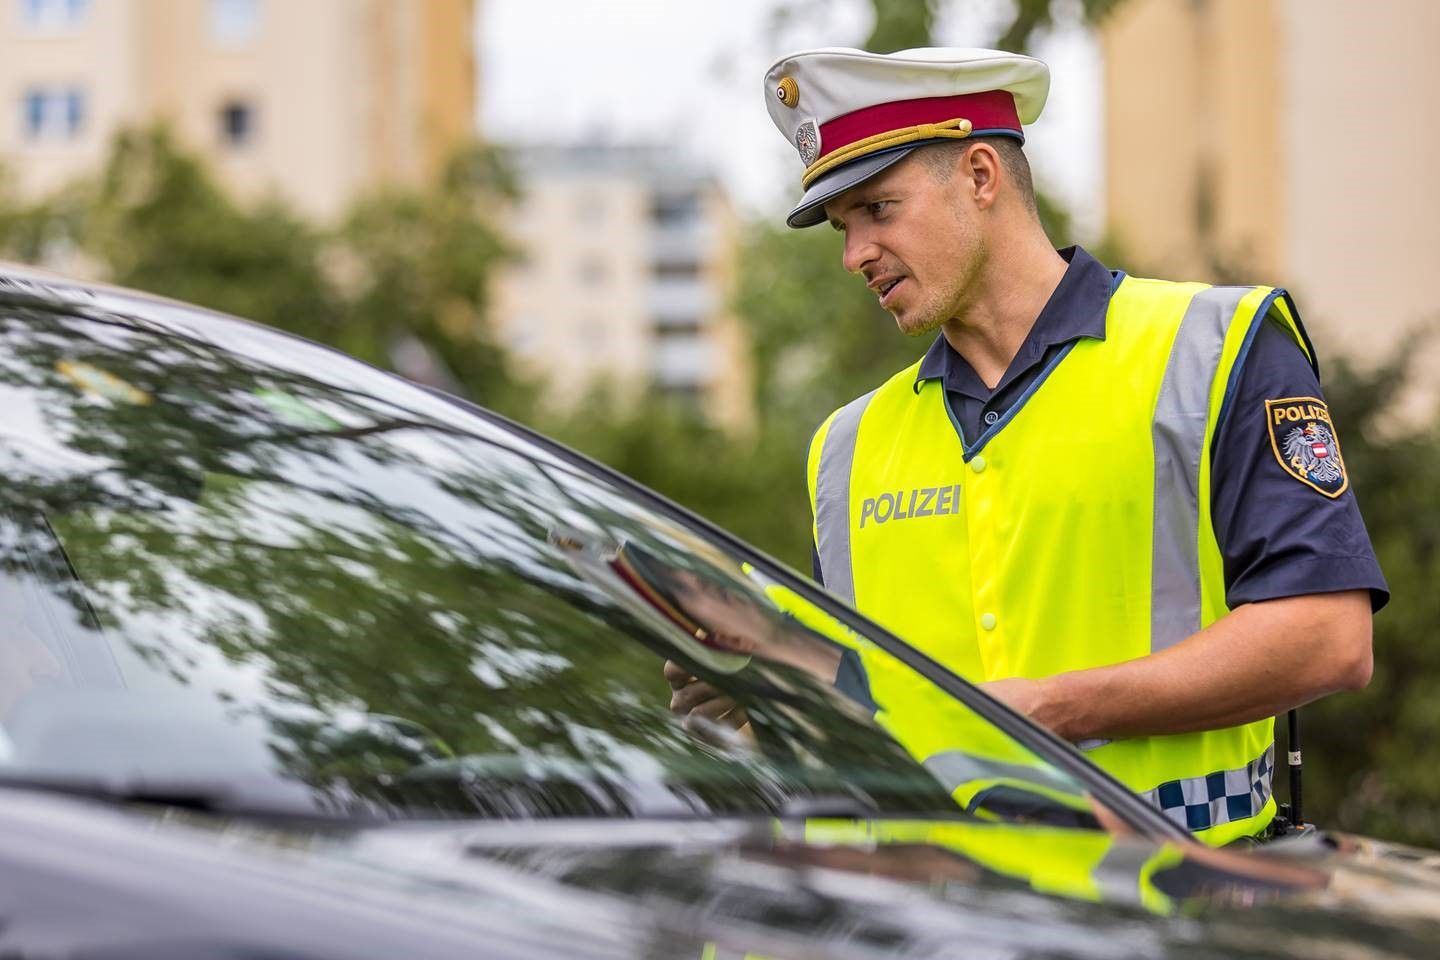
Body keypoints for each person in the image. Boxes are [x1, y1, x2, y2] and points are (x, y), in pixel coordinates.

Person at [690, 46, 1386, 844]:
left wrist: (1059, 707)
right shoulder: (846, 447)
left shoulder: (1213, 348)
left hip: (1178, 908)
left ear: (982, 175)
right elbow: (874, 700)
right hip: (939, 915)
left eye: (878, 209)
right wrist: (767, 678)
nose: (854, 256)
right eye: (843, 228)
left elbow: (1328, 637)